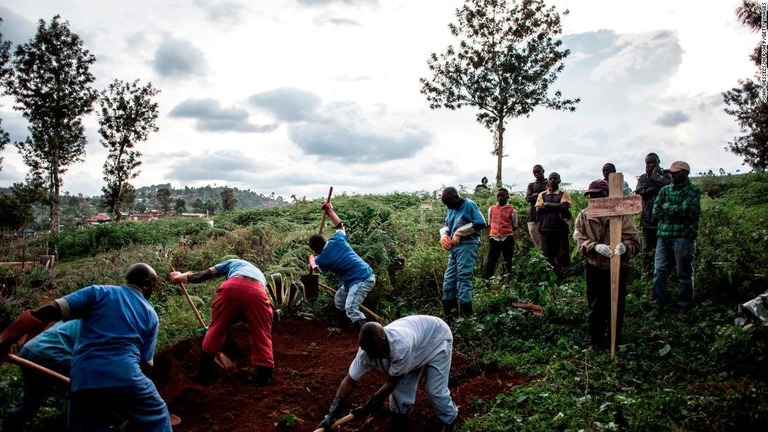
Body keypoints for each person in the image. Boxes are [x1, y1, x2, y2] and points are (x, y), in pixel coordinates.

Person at [0, 263, 172, 432]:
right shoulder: (151, 314)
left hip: (83, 379)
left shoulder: (98, 292)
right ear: (147, 284)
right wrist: (136, 396)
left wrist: (5, 339)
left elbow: (49, 311)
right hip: (125, 374)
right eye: (154, 286)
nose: (153, 291)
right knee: (158, 414)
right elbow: (145, 365)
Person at [316, 315, 460, 432]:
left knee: (434, 390)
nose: (369, 356)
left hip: (436, 337)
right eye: (366, 351)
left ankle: (452, 420)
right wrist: (331, 414)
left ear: (383, 342)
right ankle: (399, 424)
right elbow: (349, 381)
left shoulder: (401, 346)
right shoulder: (365, 352)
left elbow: (392, 381)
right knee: (400, 394)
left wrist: (368, 406)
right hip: (416, 344)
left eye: (372, 351)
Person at [170, 258, 274, 385]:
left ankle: (205, 374)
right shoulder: (261, 277)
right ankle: (264, 378)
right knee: (262, 334)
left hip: (232, 288)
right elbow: (254, 310)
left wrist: (180, 277)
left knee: (216, 330)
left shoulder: (234, 262)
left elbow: (204, 275)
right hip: (258, 293)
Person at [573, 180, 640, 348]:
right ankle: (596, 340)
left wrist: (626, 247)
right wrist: (595, 246)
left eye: (598, 195)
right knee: (595, 305)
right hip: (594, 265)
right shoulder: (584, 214)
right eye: (592, 196)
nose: (595, 199)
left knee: (616, 305)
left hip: (617, 267)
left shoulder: (622, 215)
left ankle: (614, 339)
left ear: (607, 196)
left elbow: (634, 240)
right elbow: (578, 236)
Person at [309, 201, 376, 331]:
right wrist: (330, 211)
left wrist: (312, 258)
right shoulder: (337, 239)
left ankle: (367, 336)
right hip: (353, 280)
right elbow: (340, 225)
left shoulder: (323, 259)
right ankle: (348, 327)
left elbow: (316, 269)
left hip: (362, 278)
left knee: (351, 308)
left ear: (316, 249)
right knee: (339, 301)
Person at [4, 320, 81, 432]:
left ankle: (11, 427)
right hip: (53, 353)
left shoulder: (79, 314)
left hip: (30, 349)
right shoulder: (106, 323)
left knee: (30, 402)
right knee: (84, 394)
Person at [652, 161, 701, 310]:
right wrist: (673, 209)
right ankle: (658, 303)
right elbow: (656, 211)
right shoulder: (665, 190)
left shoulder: (693, 191)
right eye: (671, 173)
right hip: (663, 237)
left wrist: (667, 207)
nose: (671, 175)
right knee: (659, 271)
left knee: (684, 274)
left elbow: (686, 211)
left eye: (675, 172)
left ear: (685, 174)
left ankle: (684, 305)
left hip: (683, 238)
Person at [439, 186, 487, 319]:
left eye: (450, 203)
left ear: (456, 197)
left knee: (463, 278)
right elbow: (447, 226)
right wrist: (444, 236)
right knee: (449, 280)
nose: (449, 207)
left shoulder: (469, 205)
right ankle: (450, 316)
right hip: (454, 249)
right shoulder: (451, 208)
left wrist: (460, 232)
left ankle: (466, 317)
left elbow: (481, 223)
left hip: (468, 245)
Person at [634, 153, 671, 276]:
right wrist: (656, 187)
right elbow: (640, 192)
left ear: (658, 162)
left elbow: (668, 187)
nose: (649, 165)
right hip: (647, 219)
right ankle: (647, 273)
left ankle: (664, 273)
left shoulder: (666, 175)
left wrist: (655, 177)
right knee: (647, 248)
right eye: (647, 163)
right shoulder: (643, 178)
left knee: (664, 248)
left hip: (663, 220)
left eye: (652, 162)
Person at [535, 172, 572, 279]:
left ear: (559, 181)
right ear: (548, 180)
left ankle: (565, 277)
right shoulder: (542, 194)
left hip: (560, 228)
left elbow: (564, 206)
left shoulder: (564, 193)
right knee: (547, 255)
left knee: (562, 254)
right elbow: (538, 209)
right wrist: (557, 206)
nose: (552, 180)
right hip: (545, 228)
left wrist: (546, 205)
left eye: (555, 178)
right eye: (551, 178)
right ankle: (550, 278)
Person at [484, 187, 518, 279]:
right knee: (491, 261)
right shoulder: (491, 209)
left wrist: (506, 232)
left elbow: (514, 225)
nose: (500, 198)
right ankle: (488, 281)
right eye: (498, 196)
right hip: (494, 238)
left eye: (503, 196)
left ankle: (508, 280)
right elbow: (489, 223)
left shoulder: (512, 210)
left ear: (507, 197)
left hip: (507, 238)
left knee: (508, 260)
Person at [525, 165, 548, 249]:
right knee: (535, 238)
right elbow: (528, 198)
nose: (537, 174)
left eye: (538, 172)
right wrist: (540, 196)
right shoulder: (531, 185)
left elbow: (548, 197)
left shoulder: (548, 184)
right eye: (535, 173)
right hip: (532, 216)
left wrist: (535, 196)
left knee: (545, 240)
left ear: (543, 171)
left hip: (545, 216)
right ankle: (539, 257)